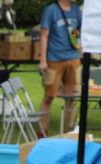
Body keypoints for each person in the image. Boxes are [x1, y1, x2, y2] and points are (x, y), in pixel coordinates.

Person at [37, 0, 82, 136]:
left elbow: (78, 30)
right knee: (48, 97)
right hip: (54, 60)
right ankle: (42, 133)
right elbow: (44, 36)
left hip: (73, 59)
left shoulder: (76, 10)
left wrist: (79, 47)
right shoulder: (51, 10)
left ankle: (69, 132)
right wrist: (43, 60)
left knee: (72, 98)